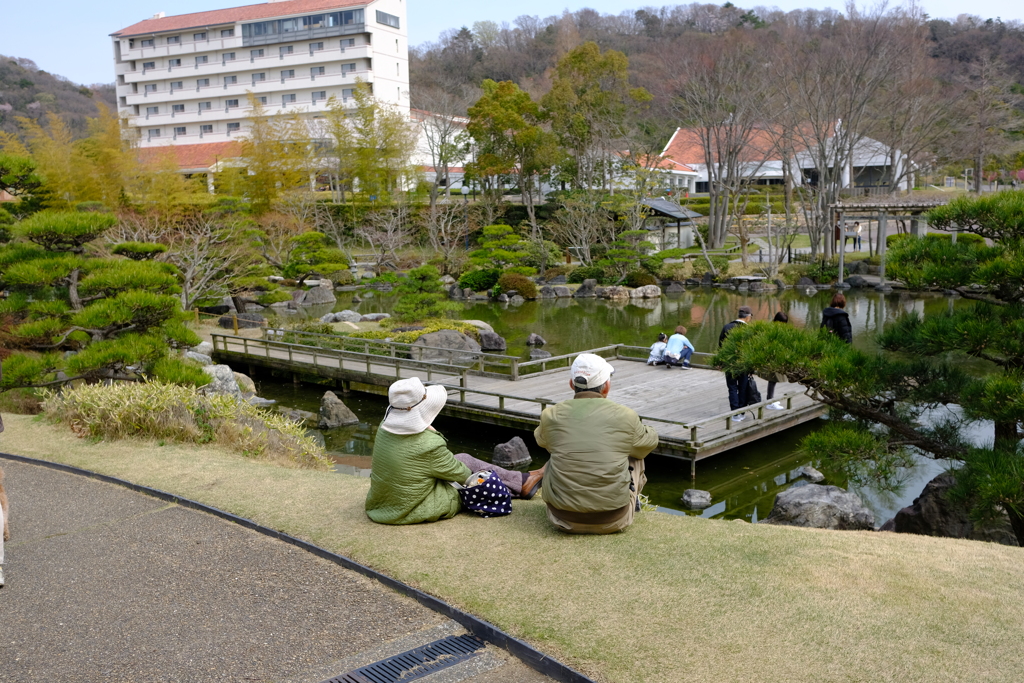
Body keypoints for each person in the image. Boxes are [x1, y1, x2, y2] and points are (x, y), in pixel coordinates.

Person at [365, 377, 545, 525]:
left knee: (462, 458)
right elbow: (463, 475)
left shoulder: (384, 428)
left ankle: (523, 481)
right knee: (476, 477)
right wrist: (434, 434)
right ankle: (521, 483)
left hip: (383, 502)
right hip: (412, 508)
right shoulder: (429, 445)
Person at [534, 354, 659, 534]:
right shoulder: (626, 416)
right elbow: (651, 441)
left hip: (561, 517)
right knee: (635, 454)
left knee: (557, 453)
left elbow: (541, 440)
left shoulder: (551, 414)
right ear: (606, 386)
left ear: (571, 384)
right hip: (615, 519)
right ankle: (631, 497)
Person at [719, 305, 754, 421]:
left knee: (732, 388)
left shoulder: (727, 327)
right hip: (743, 363)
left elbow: (721, 346)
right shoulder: (748, 330)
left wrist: (721, 362)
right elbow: (752, 350)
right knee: (743, 388)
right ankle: (742, 412)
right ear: (748, 317)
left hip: (729, 363)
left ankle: (735, 413)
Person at [765, 312, 789, 410]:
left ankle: (770, 399)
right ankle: (770, 401)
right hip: (772, 357)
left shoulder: (778, 329)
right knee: (772, 379)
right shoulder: (772, 330)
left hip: (777, 357)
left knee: (773, 380)